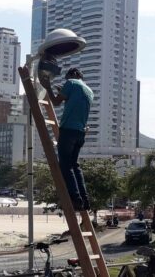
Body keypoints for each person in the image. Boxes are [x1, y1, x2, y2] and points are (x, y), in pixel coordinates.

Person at [39, 66, 94, 211]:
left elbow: (56, 102)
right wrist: (63, 92)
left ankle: (76, 199)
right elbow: (75, 104)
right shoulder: (89, 91)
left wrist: (48, 87)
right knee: (74, 166)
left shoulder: (71, 83)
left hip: (68, 130)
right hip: (80, 132)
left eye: (67, 78)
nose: (66, 81)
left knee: (65, 166)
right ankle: (85, 200)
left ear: (74, 74)